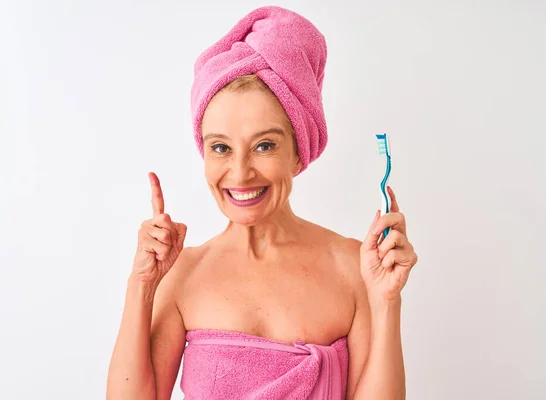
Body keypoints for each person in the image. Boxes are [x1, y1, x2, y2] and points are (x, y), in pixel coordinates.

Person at [106, 6, 417, 400]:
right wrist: (141, 286)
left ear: (299, 153)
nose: (239, 173)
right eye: (220, 147)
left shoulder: (354, 268)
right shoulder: (180, 274)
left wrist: (386, 300)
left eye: (264, 145)